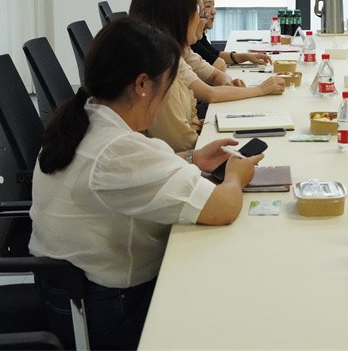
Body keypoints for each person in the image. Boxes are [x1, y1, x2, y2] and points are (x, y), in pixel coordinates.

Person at [29, 18, 262, 349]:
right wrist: (236, 175)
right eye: (167, 87)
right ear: (142, 84)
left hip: (70, 299)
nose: (166, 98)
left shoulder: (84, 120)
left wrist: (193, 159)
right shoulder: (118, 149)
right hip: (107, 314)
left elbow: (126, 174)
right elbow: (222, 208)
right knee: (228, 299)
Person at [129, 0, 284, 152]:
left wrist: (202, 126)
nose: (203, 20)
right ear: (177, 19)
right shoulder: (160, 73)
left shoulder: (174, 54)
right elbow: (182, 143)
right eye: (200, 12)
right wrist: (260, 90)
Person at [186, 0, 270, 69]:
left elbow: (215, 54)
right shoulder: (189, 43)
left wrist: (246, 57)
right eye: (208, 6)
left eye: (213, 5)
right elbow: (215, 62)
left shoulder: (197, 36)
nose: (213, 11)